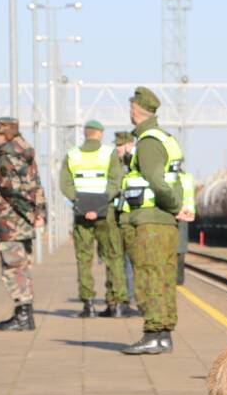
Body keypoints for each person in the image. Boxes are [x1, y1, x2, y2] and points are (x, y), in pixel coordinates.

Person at [119, 87, 190, 355]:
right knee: (163, 276)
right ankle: (162, 335)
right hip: (161, 221)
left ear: (135, 110)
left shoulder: (148, 141)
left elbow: (156, 181)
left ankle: (152, 333)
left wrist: (172, 205)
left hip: (149, 221)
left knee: (149, 276)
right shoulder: (165, 138)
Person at [60, 119, 128, 318]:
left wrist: (81, 203)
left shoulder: (72, 155)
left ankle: (88, 305)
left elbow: (65, 184)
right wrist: (100, 203)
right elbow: (117, 181)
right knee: (113, 257)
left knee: (84, 259)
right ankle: (114, 304)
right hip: (105, 213)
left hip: (81, 213)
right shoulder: (109, 153)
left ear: (85, 133)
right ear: (99, 134)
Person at [0, 116, 46, 331]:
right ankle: (25, 316)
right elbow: (37, 185)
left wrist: (30, 214)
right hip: (23, 223)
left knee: (13, 269)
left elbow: (10, 190)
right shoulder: (26, 154)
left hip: (10, 221)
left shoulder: (5, 156)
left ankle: (22, 316)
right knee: (23, 267)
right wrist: (40, 213)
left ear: (5, 134)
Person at [113, 131, 137, 308]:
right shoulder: (119, 164)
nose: (117, 149)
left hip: (134, 219)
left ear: (129, 144)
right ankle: (126, 298)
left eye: (119, 146)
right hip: (121, 218)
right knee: (123, 261)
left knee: (132, 262)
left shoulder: (136, 162)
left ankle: (132, 298)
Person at [175, 171, 196, 286]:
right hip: (185, 215)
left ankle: (174, 277)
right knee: (181, 248)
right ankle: (179, 278)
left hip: (172, 214)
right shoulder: (188, 177)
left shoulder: (167, 175)